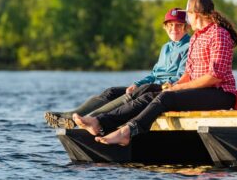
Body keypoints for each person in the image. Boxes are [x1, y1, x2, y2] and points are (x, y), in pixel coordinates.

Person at [74, 0, 237, 146]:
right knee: (148, 96)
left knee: (165, 98)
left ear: (195, 13)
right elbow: (189, 73)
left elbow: (215, 77)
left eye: (187, 14)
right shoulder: (197, 36)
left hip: (219, 94)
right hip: (199, 91)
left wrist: (178, 88)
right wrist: (174, 86)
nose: (187, 19)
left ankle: (127, 132)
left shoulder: (219, 34)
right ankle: (100, 123)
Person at [44, 7, 191, 128]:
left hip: (166, 90)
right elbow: (154, 73)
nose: (174, 29)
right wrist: (138, 83)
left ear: (185, 27)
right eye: (170, 25)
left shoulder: (189, 46)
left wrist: (148, 86)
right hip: (150, 86)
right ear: (165, 27)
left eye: (178, 25)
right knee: (111, 92)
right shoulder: (166, 47)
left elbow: (180, 77)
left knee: (140, 91)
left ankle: (89, 119)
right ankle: (72, 115)